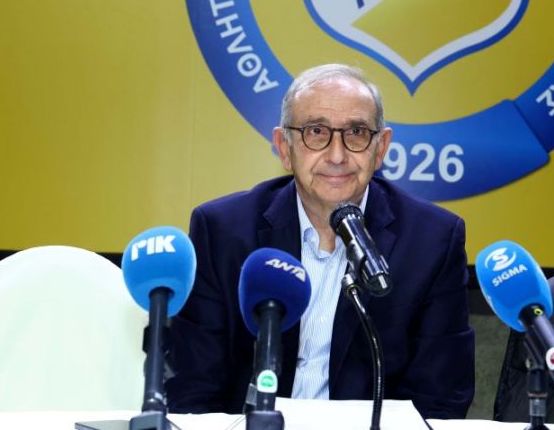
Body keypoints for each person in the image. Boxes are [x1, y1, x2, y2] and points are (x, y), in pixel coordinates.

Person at [165, 63, 474, 419]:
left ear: (381, 148)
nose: (337, 155)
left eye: (356, 132)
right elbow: (192, 389)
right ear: (284, 147)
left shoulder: (432, 241)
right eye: (316, 131)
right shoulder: (223, 231)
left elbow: (441, 399)